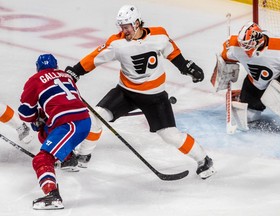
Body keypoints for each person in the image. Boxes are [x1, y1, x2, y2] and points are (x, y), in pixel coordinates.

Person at [65, 5, 215, 179]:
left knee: (170, 136)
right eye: (121, 27)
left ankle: (204, 160)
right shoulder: (117, 43)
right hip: (126, 92)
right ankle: (84, 155)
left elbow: (172, 53)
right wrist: (76, 71)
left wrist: (188, 68)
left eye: (126, 26)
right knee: (97, 116)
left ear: (137, 23)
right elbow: (94, 58)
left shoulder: (159, 35)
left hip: (155, 97)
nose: (124, 31)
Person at [18, 54, 98, 210]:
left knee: (41, 159)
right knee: (44, 131)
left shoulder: (35, 79)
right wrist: (43, 119)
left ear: (37, 67)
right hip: (81, 119)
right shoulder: (66, 76)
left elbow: (25, 113)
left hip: (70, 123)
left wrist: (36, 117)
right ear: (55, 66)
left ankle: (52, 195)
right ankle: (68, 159)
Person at [213, 21, 280, 130]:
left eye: (247, 45)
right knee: (249, 117)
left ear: (258, 41)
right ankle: (244, 96)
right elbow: (224, 58)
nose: (244, 48)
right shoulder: (234, 46)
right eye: (242, 44)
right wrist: (224, 71)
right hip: (255, 84)